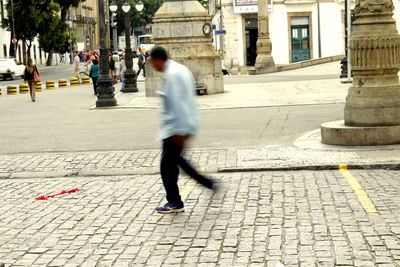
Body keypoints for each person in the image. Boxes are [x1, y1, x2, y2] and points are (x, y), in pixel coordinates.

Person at [149, 46, 217, 214]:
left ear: (158, 60)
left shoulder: (172, 75)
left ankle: (174, 201)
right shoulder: (178, 69)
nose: (152, 67)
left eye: (152, 63)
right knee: (177, 162)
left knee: (167, 166)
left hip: (176, 128)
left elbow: (177, 104)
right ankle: (207, 184)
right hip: (182, 125)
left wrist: (178, 130)